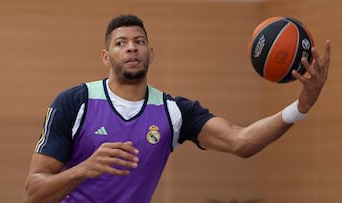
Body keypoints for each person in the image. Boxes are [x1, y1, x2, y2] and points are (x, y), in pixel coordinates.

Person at [23, 14, 331, 203]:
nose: (131, 47)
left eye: (139, 41)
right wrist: (85, 169)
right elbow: (34, 193)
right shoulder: (75, 102)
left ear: (151, 53)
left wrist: (302, 106)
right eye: (121, 43)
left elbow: (241, 141)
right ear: (106, 56)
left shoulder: (173, 111)